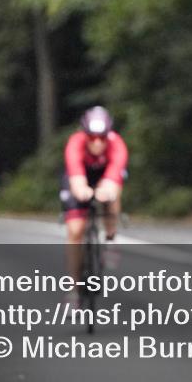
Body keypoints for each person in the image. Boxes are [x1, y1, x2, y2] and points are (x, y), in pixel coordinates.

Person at [59, 106, 128, 297]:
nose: (97, 143)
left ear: (108, 134)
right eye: (92, 137)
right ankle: (73, 289)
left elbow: (113, 177)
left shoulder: (117, 144)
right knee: (75, 230)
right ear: (85, 134)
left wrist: (105, 192)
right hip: (79, 175)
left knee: (112, 197)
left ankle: (111, 238)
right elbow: (76, 179)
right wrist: (82, 190)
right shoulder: (75, 143)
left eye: (102, 137)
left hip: (104, 175)